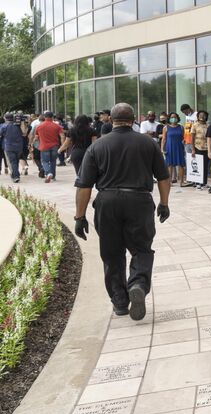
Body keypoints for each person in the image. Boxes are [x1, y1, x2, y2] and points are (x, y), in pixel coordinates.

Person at [73, 103, 171, 321]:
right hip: (139, 200)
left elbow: (84, 186)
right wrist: (164, 203)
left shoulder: (97, 147)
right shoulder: (148, 143)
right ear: (134, 119)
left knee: (111, 253)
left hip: (107, 201)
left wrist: (79, 217)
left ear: (110, 120)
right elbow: (164, 177)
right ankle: (137, 283)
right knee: (141, 249)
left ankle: (119, 301)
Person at [35, 111, 65, 183]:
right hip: (55, 146)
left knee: (44, 161)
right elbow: (62, 136)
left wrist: (33, 144)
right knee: (53, 161)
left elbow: (36, 137)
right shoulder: (57, 126)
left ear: (44, 117)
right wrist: (63, 145)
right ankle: (53, 176)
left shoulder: (39, 126)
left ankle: (48, 173)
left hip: (44, 146)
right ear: (52, 117)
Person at [160, 112, 186, 193]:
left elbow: (184, 137)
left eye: (175, 117)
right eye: (172, 117)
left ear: (177, 118)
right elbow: (164, 139)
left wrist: (184, 143)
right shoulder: (166, 127)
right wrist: (162, 149)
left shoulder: (181, 127)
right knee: (169, 165)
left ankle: (181, 181)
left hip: (179, 147)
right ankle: (169, 181)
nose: (173, 118)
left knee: (181, 164)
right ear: (169, 118)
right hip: (169, 147)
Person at [0, 113, 24, 182]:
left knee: (13, 161)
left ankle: (16, 176)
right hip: (19, 146)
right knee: (16, 161)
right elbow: (24, 133)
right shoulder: (17, 125)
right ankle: (16, 174)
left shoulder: (4, 126)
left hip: (9, 146)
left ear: (5, 118)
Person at [190, 111, 210, 190]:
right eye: (200, 115)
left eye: (204, 115)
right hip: (198, 147)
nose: (202, 117)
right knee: (199, 166)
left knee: (205, 166)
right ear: (198, 116)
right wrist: (193, 149)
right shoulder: (195, 125)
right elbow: (192, 138)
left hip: (206, 148)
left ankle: (204, 182)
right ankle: (198, 183)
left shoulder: (208, 125)